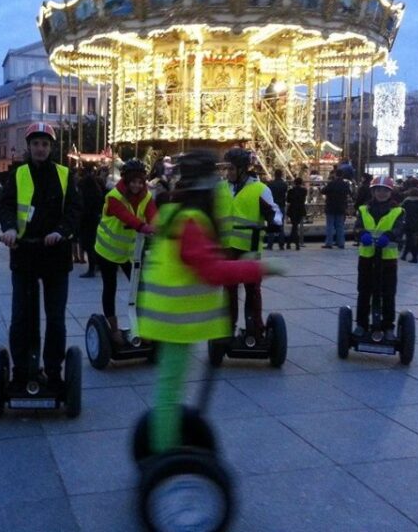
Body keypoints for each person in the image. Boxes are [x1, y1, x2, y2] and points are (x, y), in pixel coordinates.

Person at [136, 150, 283, 454]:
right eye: (217, 174)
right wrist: (263, 268)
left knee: (170, 387)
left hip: (169, 316)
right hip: (174, 320)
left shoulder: (175, 211)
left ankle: (166, 443)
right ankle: (164, 456)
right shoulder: (192, 220)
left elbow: (273, 213)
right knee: (168, 392)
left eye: (227, 170)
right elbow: (212, 271)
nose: (222, 178)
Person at [0, 122, 82, 391]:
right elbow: (6, 205)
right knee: (22, 316)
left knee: (55, 317)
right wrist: (9, 228)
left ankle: (54, 371)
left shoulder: (65, 175)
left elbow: (74, 210)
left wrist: (61, 231)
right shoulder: (17, 174)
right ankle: (22, 369)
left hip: (55, 255)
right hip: (24, 253)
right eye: (36, 143)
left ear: (51, 147)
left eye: (45, 144)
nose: (41, 148)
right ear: (29, 146)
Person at [94, 158, 157, 343]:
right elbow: (126, 216)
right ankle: (113, 330)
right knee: (110, 287)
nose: (137, 185)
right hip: (107, 251)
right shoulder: (114, 197)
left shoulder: (146, 196)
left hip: (130, 253)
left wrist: (159, 226)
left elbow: (153, 213)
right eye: (133, 181)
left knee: (140, 288)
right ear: (126, 181)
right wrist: (143, 227)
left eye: (140, 181)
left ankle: (141, 327)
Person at [219, 147, 282, 334]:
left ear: (242, 169)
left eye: (231, 169)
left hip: (250, 247)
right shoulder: (222, 188)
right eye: (226, 169)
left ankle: (255, 326)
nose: (227, 172)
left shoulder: (260, 189)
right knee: (229, 289)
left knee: (252, 288)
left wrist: (274, 223)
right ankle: (227, 327)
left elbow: (274, 211)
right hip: (228, 248)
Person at [353, 176, 404, 340]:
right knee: (364, 292)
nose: (381, 193)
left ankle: (388, 326)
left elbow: (400, 229)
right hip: (367, 258)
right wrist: (361, 234)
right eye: (378, 190)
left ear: (390, 192)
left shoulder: (398, 211)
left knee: (388, 294)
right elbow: (357, 228)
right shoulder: (363, 209)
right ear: (373, 191)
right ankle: (361, 324)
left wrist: (390, 235)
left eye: (385, 190)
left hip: (388, 260)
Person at [78, 166, 105, 278]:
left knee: (90, 247)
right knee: (95, 246)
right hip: (96, 222)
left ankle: (91, 269)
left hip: (88, 224)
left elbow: (83, 211)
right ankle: (97, 266)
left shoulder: (86, 197)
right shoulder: (98, 195)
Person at [321, 171, 352, 249]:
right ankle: (341, 243)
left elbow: (323, 191)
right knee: (340, 226)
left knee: (330, 226)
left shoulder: (331, 183)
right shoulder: (345, 184)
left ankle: (329, 243)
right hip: (341, 207)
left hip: (331, 206)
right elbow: (349, 192)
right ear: (342, 175)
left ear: (335, 175)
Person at [400, 188, 418, 263]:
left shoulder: (407, 202)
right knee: (410, 240)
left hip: (408, 223)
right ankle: (404, 256)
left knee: (410, 240)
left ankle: (414, 257)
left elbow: (401, 211)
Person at [266, 169, 287, 250]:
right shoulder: (284, 184)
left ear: (275, 174)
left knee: (271, 224)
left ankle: (270, 244)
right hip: (281, 206)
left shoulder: (270, 184)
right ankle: (281, 244)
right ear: (281, 175)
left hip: (273, 206)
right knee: (281, 225)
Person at [285, 177, 307, 250]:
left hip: (292, 209)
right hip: (300, 209)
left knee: (294, 226)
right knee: (295, 226)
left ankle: (291, 243)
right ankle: (295, 243)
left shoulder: (291, 190)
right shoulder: (304, 190)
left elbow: (288, 200)